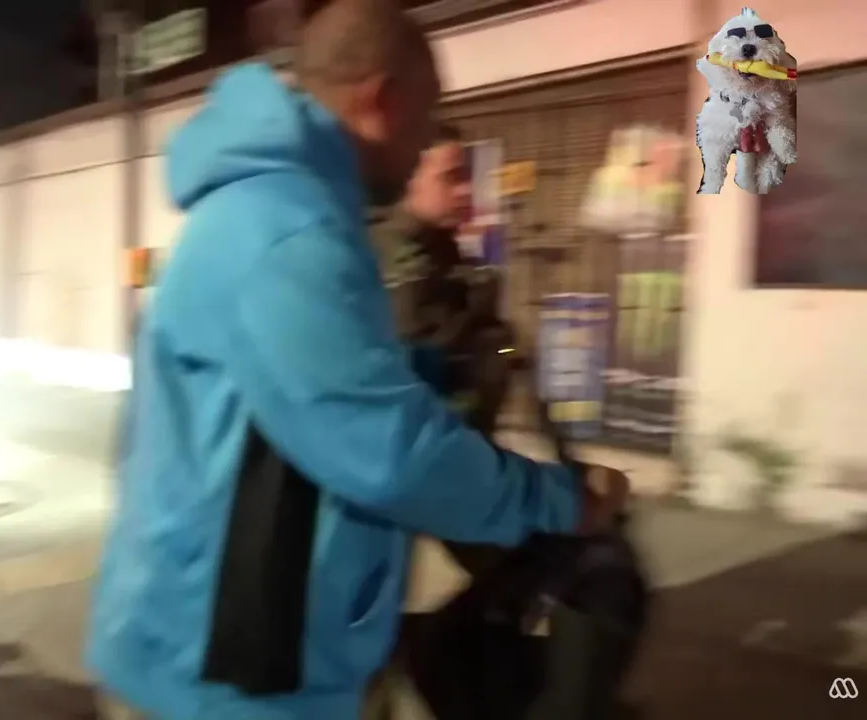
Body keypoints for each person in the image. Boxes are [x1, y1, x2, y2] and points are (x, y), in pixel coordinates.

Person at [87, 1, 630, 719]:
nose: (426, 142)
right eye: (427, 116)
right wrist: (558, 501)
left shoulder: (284, 213)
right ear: (383, 100)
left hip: (259, 656)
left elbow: (298, 410)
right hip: (224, 683)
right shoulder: (285, 234)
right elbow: (388, 453)